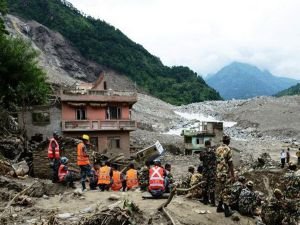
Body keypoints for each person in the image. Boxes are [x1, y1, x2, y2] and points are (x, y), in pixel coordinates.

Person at [215, 135, 235, 217]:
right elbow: (230, 163)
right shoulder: (228, 149)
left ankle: (219, 207)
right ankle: (227, 210)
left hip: (218, 172)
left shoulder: (218, 149)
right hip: (224, 173)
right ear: (228, 141)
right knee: (226, 190)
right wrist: (232, 175)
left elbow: (216, 161)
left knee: (221, 189)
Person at [200, 140, 217, 206]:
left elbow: (201, 159)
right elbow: (216, 159)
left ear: (205, 144)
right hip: (212, 171)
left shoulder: (202, 151)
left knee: (205, 185)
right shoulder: (213, 151)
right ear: (210, 144)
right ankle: (212, 202)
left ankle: (205, 201)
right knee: (212, 186)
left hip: (205, 171)